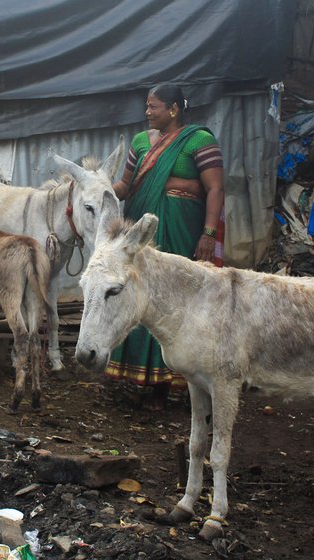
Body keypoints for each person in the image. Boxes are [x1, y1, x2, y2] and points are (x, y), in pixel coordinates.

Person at [107, 83, 225, 410]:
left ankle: (166, 384)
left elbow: (215, 188)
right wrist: (95, 186)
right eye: (146, 106)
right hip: (142, 232)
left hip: (180, 230)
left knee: (171, 299)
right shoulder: (140, 141)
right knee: (141, 295)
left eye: (153, 106)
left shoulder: (200, 140)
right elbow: (124, 185)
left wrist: (208, 233)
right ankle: (138, 376)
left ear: (173, 109)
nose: (147, 112)